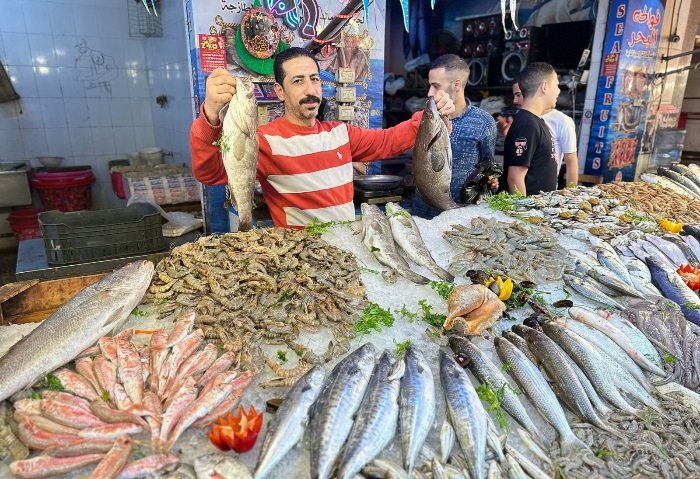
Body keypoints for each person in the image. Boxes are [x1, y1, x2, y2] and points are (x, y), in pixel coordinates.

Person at [190, 47, 455, 229]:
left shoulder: (341, 133)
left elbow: (389, 141)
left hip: (346, 250)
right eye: (298, 81)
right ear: (279, 91)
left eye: (314, 79)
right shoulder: (264, 140)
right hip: (300, 260)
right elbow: (210, 172)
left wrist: (432, 115)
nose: (310, 90)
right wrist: (211, 115)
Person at [411, 54, 497, 219]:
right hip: (423, 214)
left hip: (462, 215)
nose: (430, 92)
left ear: (456, 84)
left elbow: (488, 167)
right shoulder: (423, 119)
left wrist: (489, 181)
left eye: (436, 86)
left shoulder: (484, 122)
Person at [500, 63, 558, 196]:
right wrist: (523, 214)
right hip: (530, 212)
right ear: (544, 87)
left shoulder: (535, 121)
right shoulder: (527, 124)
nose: (558, 91)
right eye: (556, 85)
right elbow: (515, 178)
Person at [509, 82, 579, 188]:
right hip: (517, 190)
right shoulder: (520, 118)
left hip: (543, 191)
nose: (515, 101)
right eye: (514, 95)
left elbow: (571, 161)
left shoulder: (562, 121)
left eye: (519, 95)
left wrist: (570, 195)